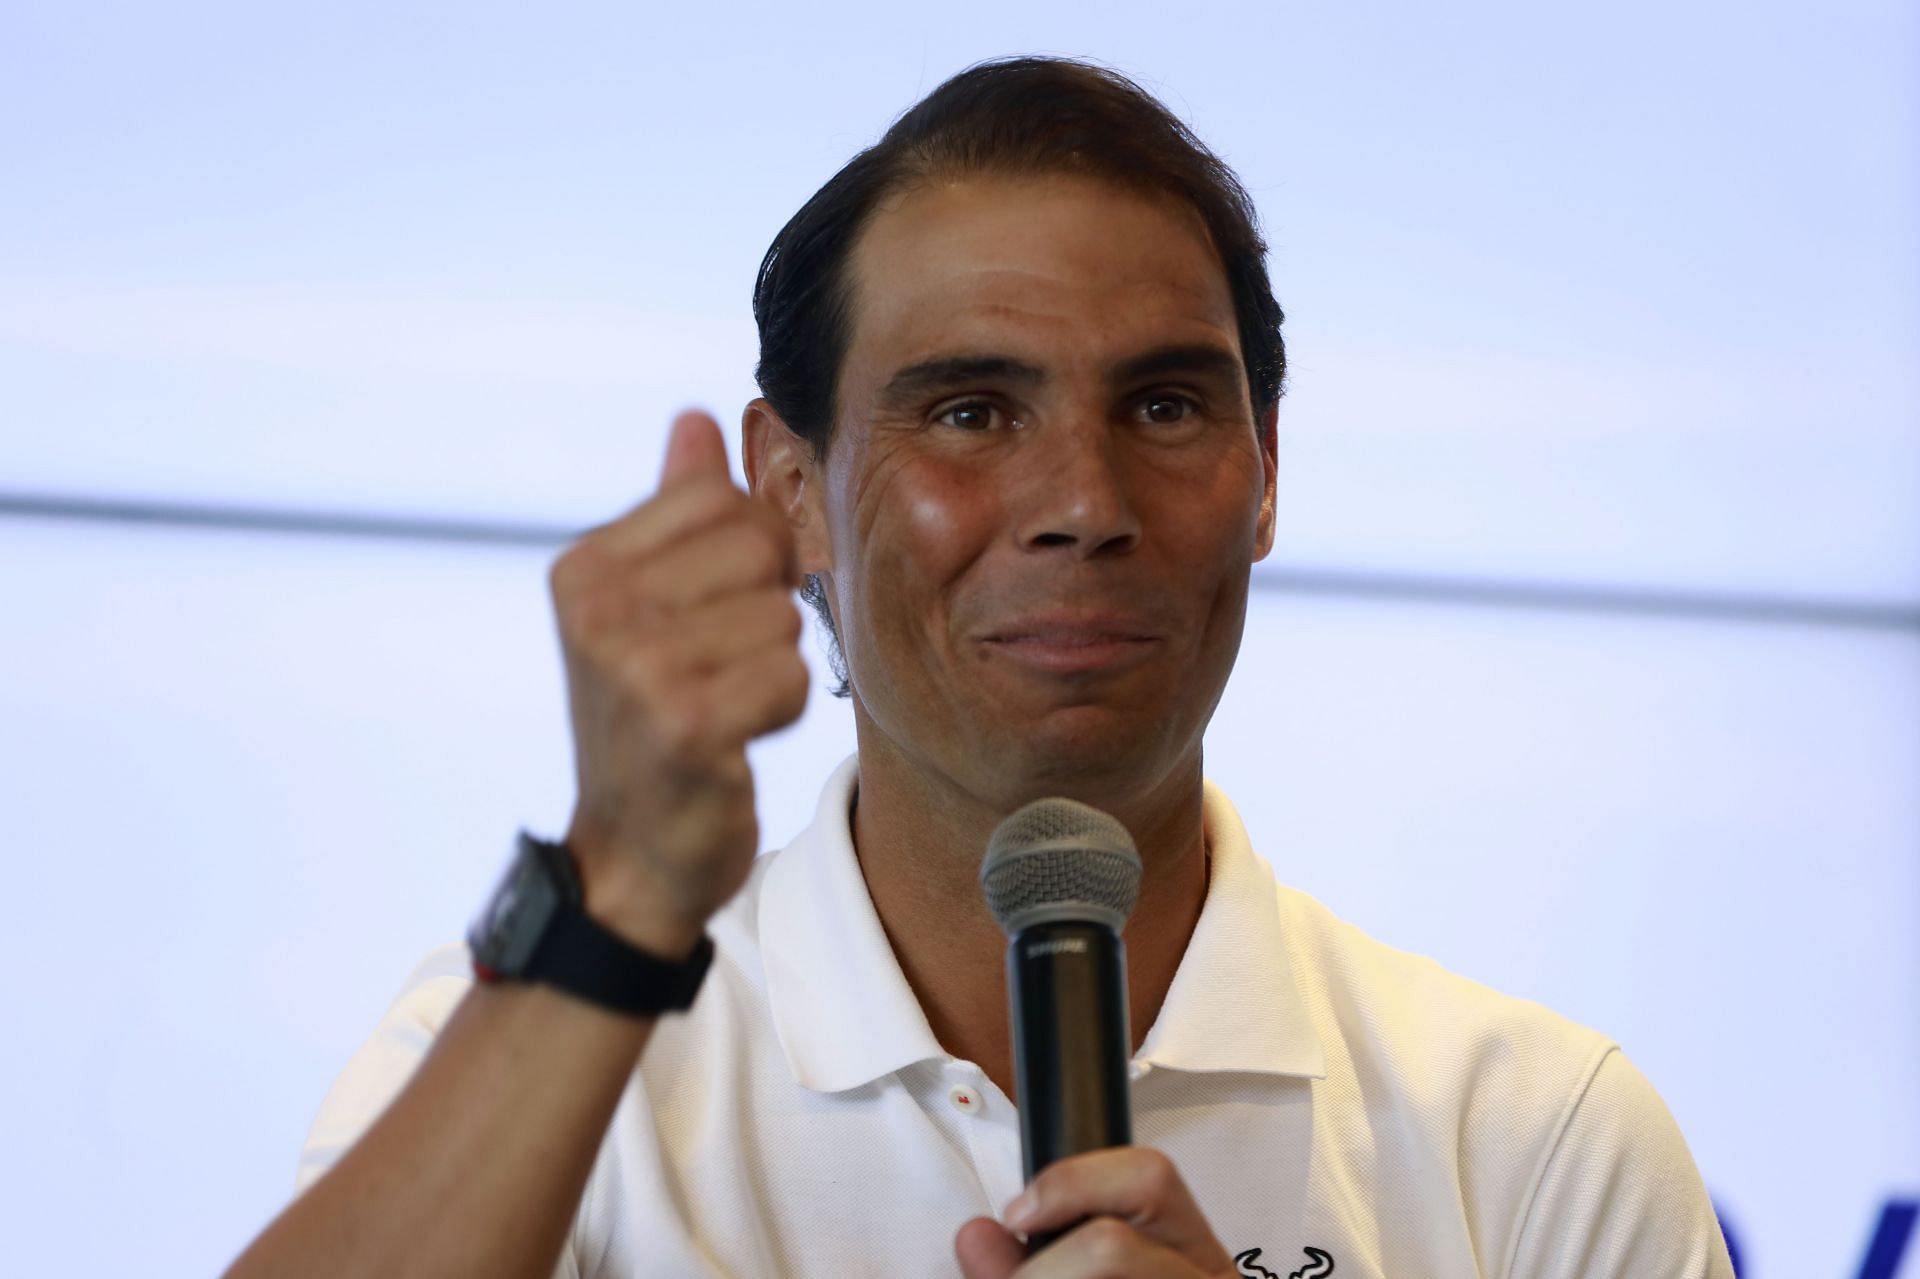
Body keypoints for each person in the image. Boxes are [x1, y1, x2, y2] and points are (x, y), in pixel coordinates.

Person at [224, 56, 1735, 1279]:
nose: (1084, 504)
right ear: (790, 487)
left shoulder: (1536, 1139)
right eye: (967, 411)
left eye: (1161, 408)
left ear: (1266, 479)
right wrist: (618, 888)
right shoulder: (546, 1065)